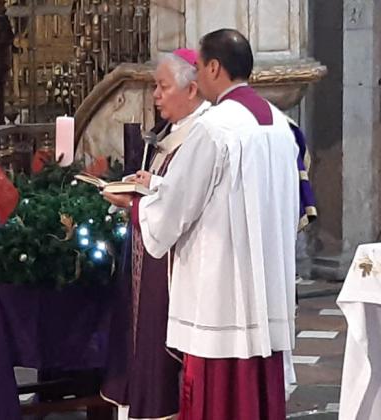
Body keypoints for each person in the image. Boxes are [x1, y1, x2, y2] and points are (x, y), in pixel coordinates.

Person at [104, 29, 299, 420]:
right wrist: (159, 187)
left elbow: (176, 208)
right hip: (265, 281)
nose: (197, 75)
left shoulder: (214, 128)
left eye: (199, 67)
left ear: (214, 67)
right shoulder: (280, 125)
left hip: (221, 288)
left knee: (219, 394)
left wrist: (135, 206)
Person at [101, 49, 210, 420]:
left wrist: (133, 202)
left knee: (158, 346)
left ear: (192, 89)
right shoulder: (176, 134)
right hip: (150, 254)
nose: (156, 96)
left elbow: (189, 202)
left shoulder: (203, 135)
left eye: (163, 87)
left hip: (173, 264)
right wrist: (153, 183)